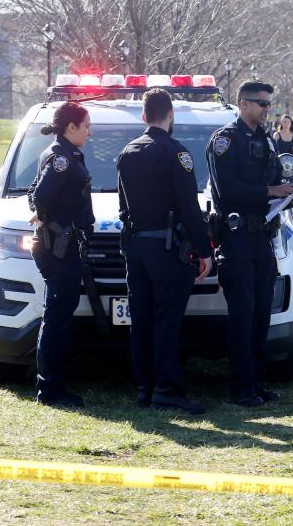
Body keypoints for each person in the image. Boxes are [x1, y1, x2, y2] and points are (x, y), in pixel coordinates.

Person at [206, 80, 293, 407]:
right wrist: (270, 192)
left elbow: (276, 181)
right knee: (243, 312)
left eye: (269, 105)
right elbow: (227, 189)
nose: (267, 110)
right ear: (244, 104)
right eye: (262, 104)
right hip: (236, 238)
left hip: (263, 235)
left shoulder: (266, 141)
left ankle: (256, 381)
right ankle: (240, 386)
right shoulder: (224, 141)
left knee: (262, 309)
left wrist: (291, 193)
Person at [117, 89, 213, 414]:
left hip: (136, 246)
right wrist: (204, 250)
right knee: (167, 321)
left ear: (143, 117)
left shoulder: (127, 152)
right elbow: (189, 208)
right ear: (170, 114)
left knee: (141, 319)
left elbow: (122, 208)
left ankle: (144, 386)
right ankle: (167, 389)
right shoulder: (176, 153)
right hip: (167, 249)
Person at [27, 102, 95, 408]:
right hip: (58, 249)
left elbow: (33, 193)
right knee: (56, 318)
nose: (89, 132)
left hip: (60, 246)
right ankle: (50, 389)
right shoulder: (61, 158)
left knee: (57, 315)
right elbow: (39, 197)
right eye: (86, 126)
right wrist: (50, 222)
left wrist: (42, 215)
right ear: (71, 127)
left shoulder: (59, 153)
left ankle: (53, 384)